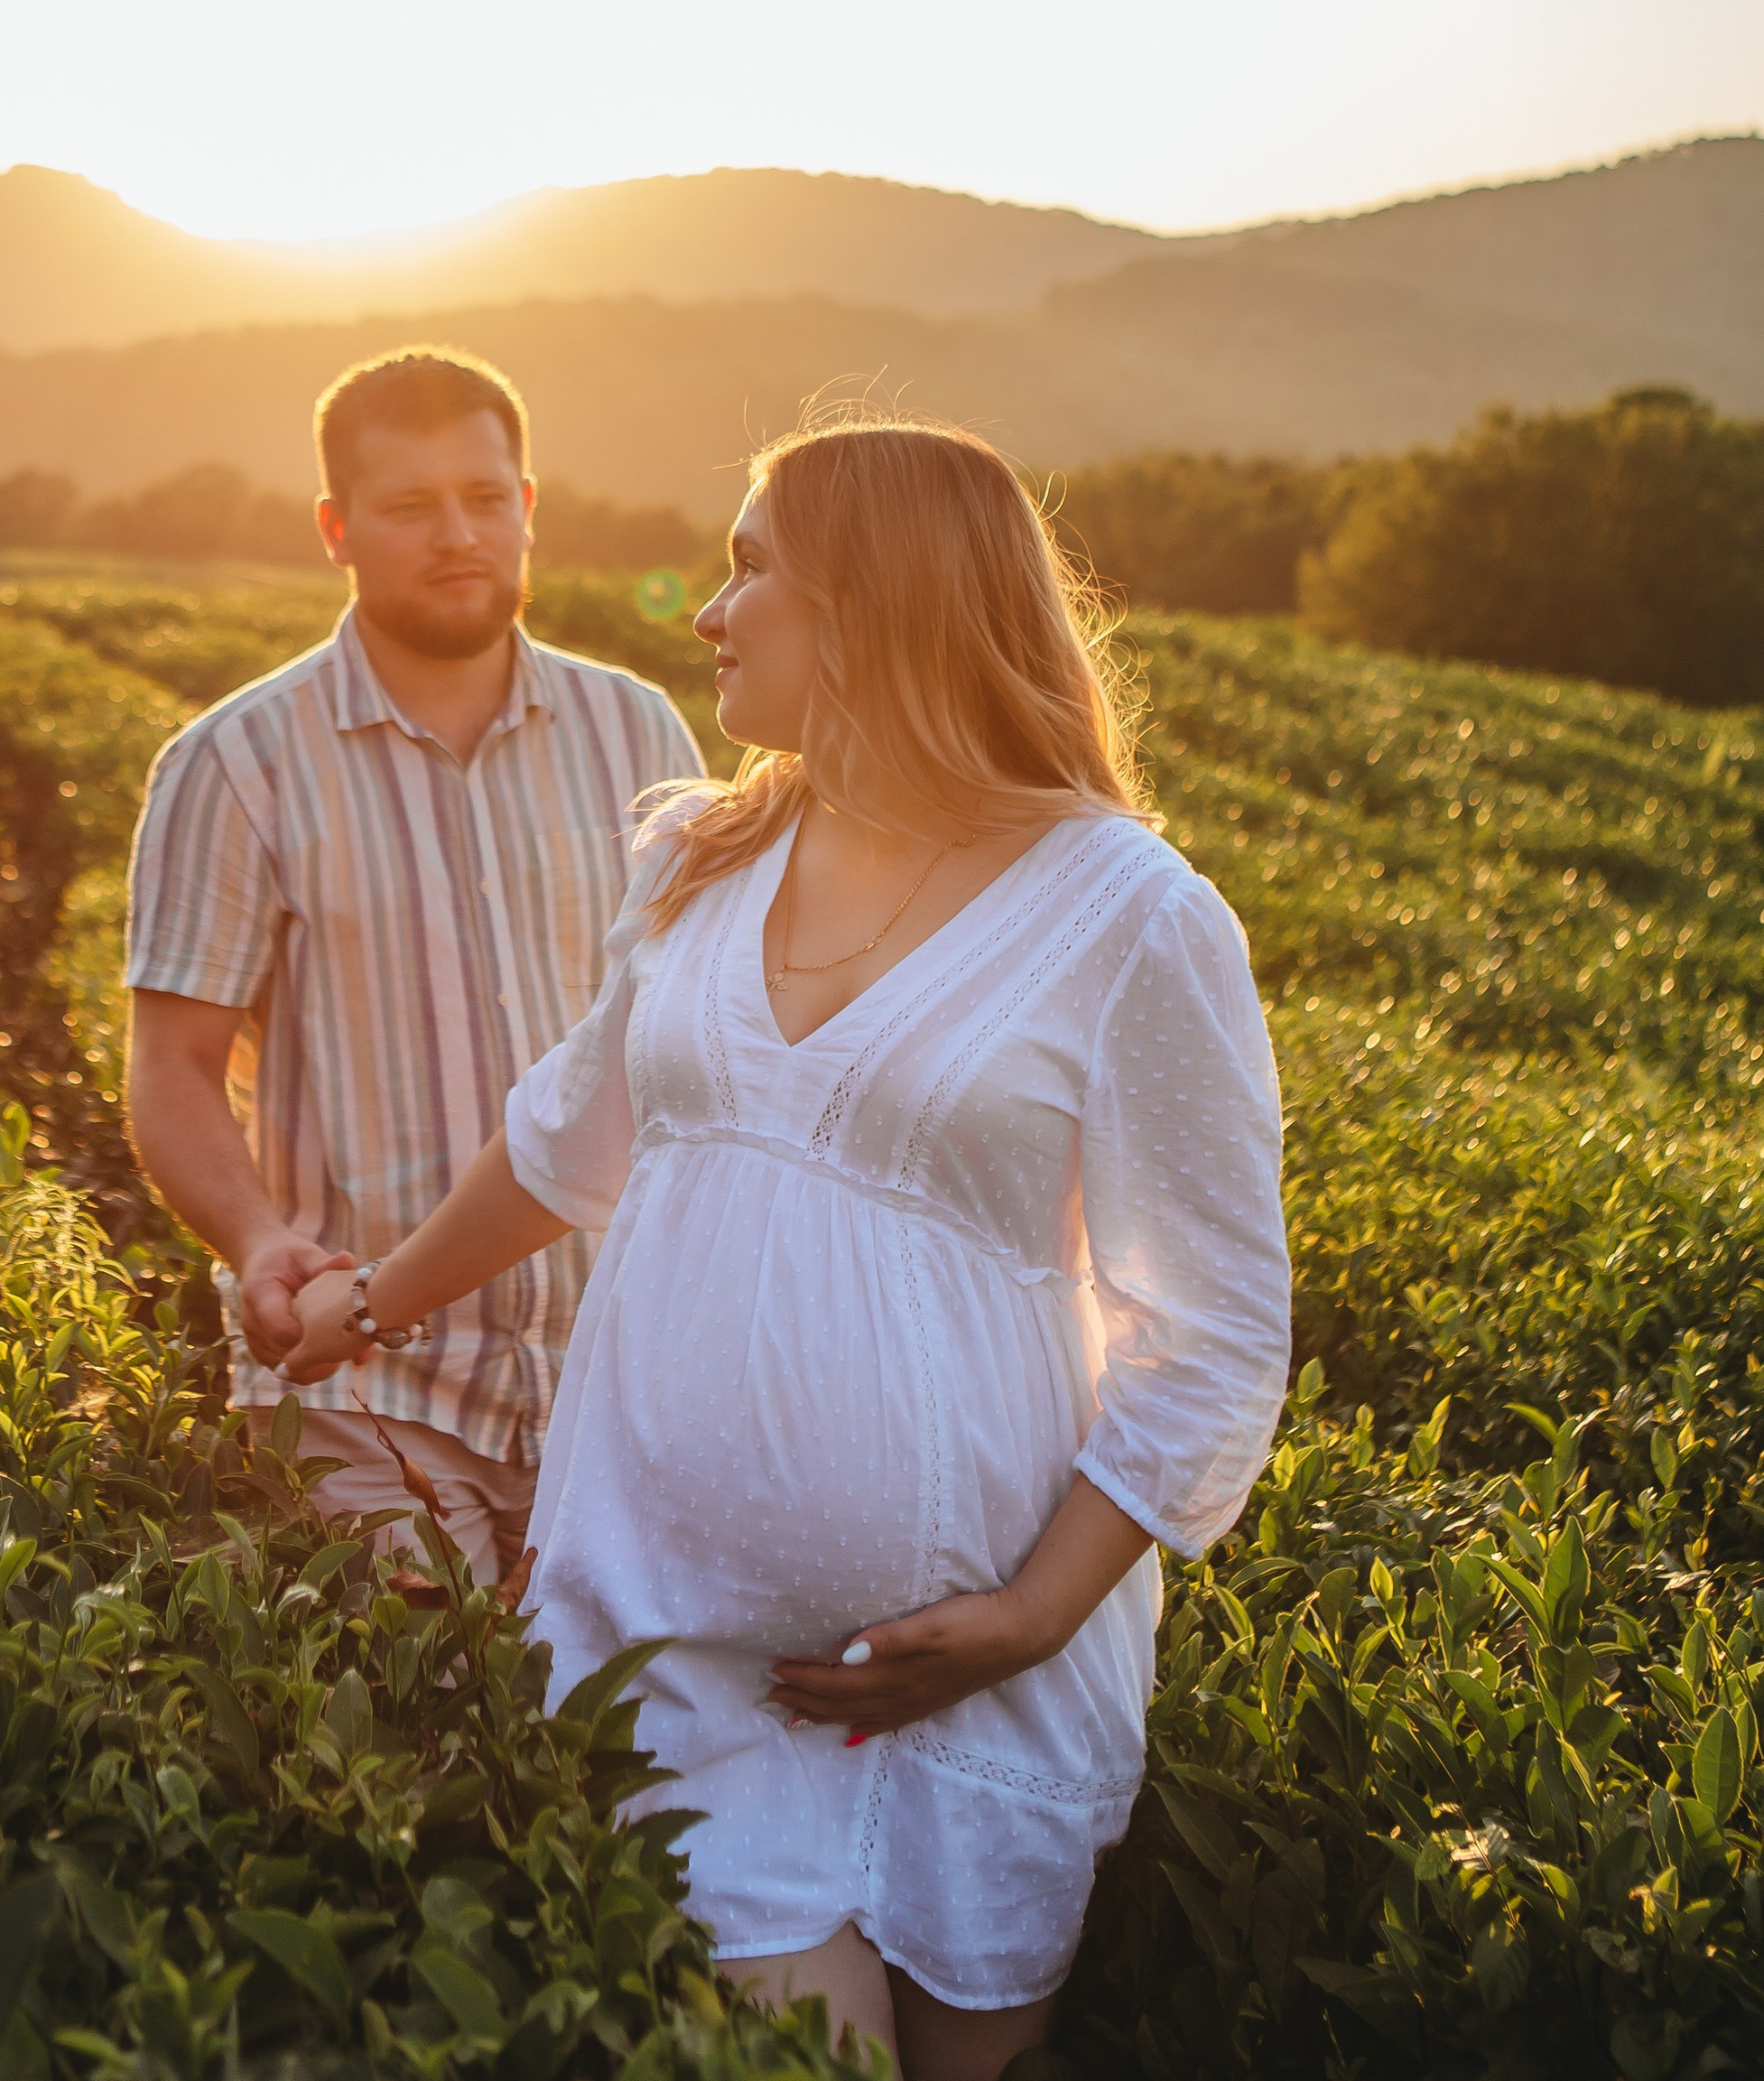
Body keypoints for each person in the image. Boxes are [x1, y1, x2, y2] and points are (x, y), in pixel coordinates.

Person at [284, 413, 1292, 2078]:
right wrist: (366, 1303)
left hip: (980, 1682)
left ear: (877, 603)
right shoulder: (703, 855)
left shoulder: (1131, 913)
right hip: (675, 1642)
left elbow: (1217, 1333)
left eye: (751, 567)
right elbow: (565, 1139)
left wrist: (1035, 1613)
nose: (709, 609)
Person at [124, 345, 705, 1584]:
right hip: (367, 1377)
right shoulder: (234, 763)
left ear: (528, 506)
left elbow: (699, 1023)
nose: (458, 536)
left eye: (486, 498)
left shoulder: (639, 730)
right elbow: (171, 1066)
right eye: (409, 506)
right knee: (425, 1693)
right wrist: (256, 1239)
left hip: (623, 1370)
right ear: (335, 529)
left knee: (620, 1712)